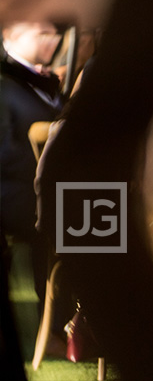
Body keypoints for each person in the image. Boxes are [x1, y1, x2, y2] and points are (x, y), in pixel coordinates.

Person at [0, 21, 63, 306]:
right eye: (42, 33)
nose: (54, 40)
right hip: (16, 194)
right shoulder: (6, 83)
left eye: (55, 33)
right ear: (11, 33)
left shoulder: (42, 82)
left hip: (44, 191)